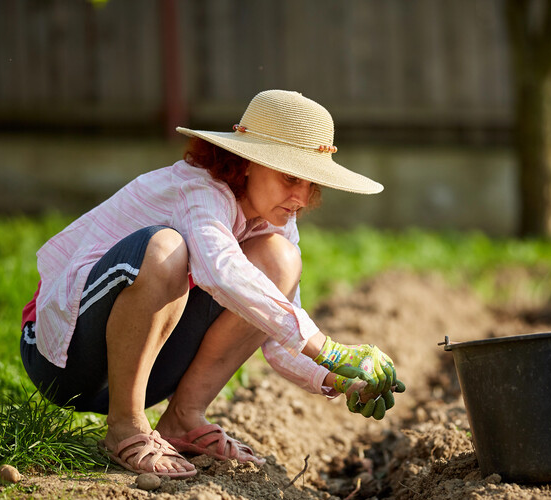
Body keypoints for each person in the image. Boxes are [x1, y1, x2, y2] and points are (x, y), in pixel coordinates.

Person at [20, 89, 405, 478]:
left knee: (281, 261)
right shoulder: (199, 189)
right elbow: (221, 271)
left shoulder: (275, 221)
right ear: (248, 162)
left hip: (148, 369)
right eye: (291, 177)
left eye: (311, 183)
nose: (301, 198)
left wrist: (338, 377)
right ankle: (125, 426)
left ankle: (183, 418)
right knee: (165, 250)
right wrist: (328, 349)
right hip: (63, 357)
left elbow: (276, 329)